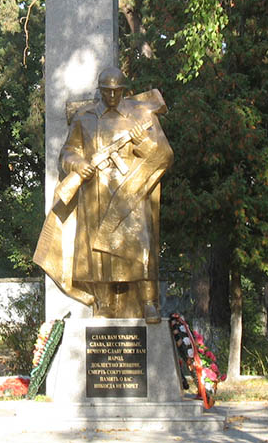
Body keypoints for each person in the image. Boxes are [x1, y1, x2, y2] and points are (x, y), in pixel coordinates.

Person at [34, 66, 172, 322]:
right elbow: (67, 152)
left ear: (124, 90)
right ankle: (104, 303)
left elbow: (162, 155)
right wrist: (78, 165)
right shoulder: (84, 117)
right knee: (98, 252)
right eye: (106, 91)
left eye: (116, 91)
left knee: (140, 245)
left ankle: (148, 302)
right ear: (99, 91)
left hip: (131, 189)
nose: (111, 96)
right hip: (95, 192)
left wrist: (141, 141)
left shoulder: (141, 115)